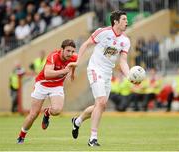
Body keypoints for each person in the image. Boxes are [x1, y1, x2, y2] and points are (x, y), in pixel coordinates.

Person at [71, 10, 134, 146]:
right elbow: (86, 44)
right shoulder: (103, 32)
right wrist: (77, 61)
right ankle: (93, 139)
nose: (126, 22)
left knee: (100, 105)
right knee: (100, 102)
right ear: (115, 21)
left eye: (126, 19)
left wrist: (128, 75)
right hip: (95, 69)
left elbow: (122, 61)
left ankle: (77, 121)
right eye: (124, 19)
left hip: (107, 73)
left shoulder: (125, 41)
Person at [17, 39, 77, 144]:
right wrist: (64, 71)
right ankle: (21, 136)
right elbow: (47, 74)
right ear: (61, 49)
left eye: (72, 51)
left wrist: (72, 73)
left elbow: (74, 64)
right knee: (33, 114)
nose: (70, 54)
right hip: (42, 84)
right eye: (68, 51)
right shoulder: (53, 56)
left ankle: (47, 112)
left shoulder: (73, 57)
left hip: (57, 86)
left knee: (57, 110)